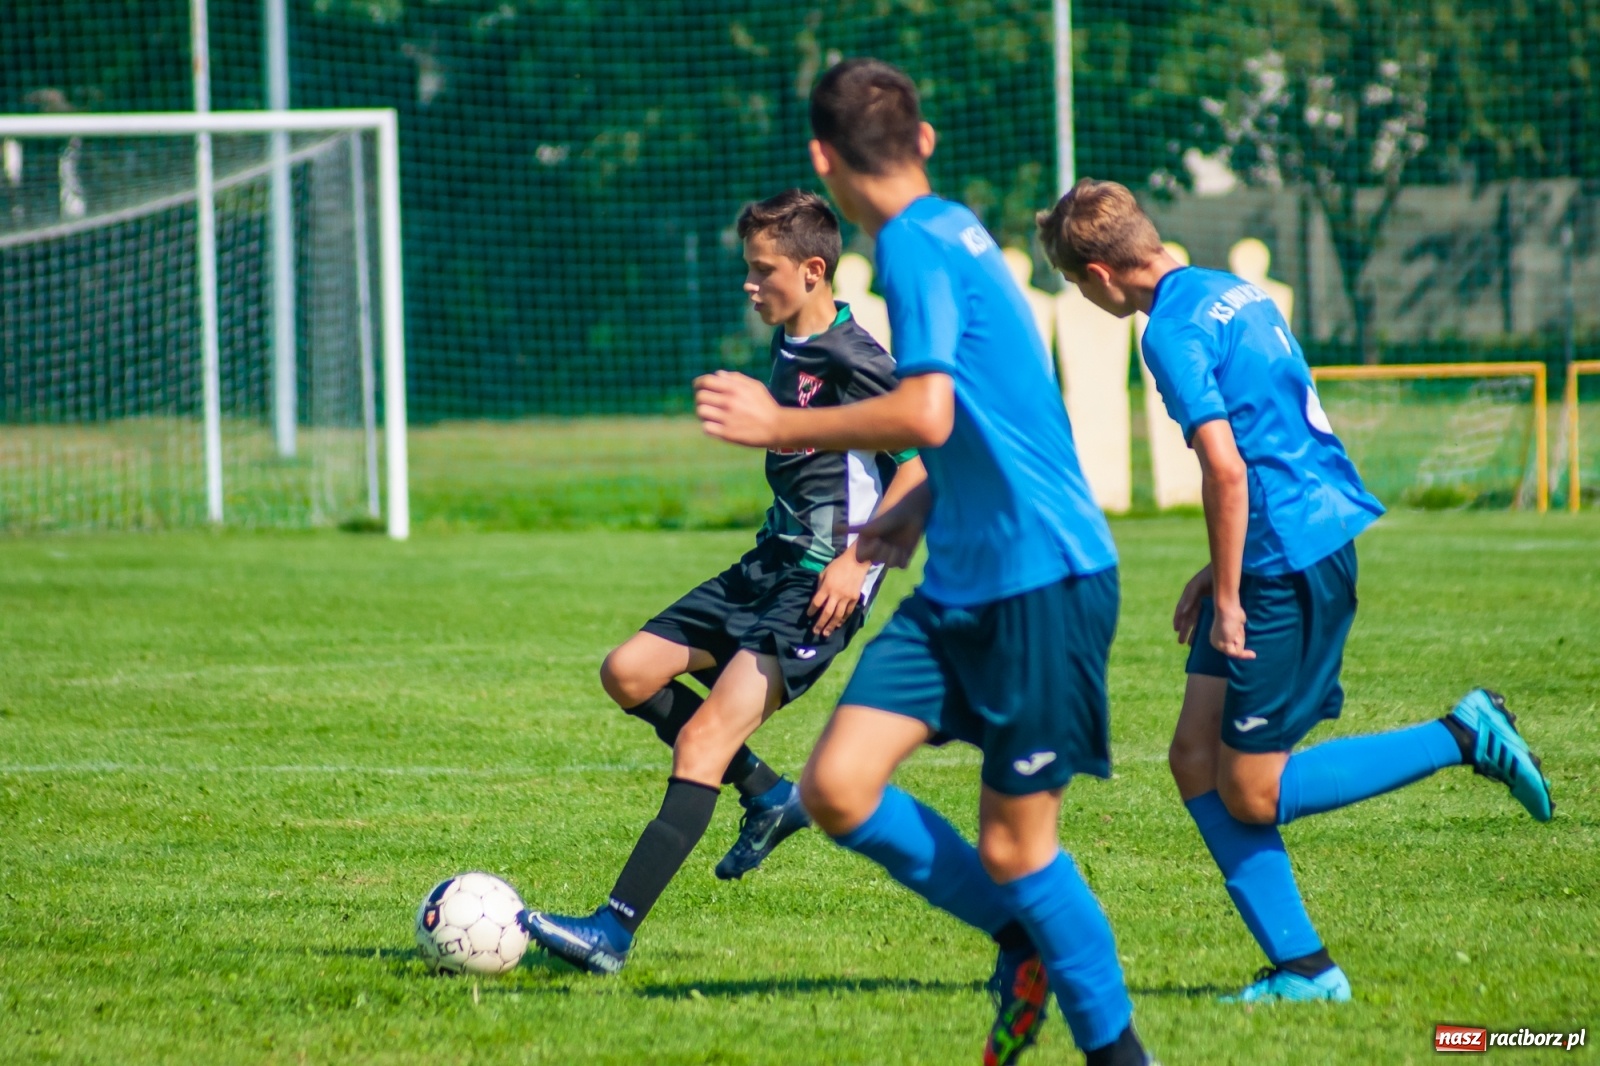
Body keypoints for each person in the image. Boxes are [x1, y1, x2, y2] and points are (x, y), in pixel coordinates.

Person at [695, 60, 1152, 1066]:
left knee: (1014, 848)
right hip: (962, 579)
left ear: (822, 157)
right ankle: (1022, 944)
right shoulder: (953, 227)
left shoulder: (911, 246)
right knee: (838, 785)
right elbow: (993, 406)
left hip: (1044, 577)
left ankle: (1117, 1052)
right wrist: (920, 502)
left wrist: (781, 419)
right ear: (925, 138)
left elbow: (931, 410)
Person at [1036, 178, 1555, 1003]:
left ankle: (1463, 734)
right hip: (1290, 532)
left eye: (1071, 283)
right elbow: (1267, 430)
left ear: (1098, 275)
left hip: (1287, 558)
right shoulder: (1227, 292)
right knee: (1193, 757)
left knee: (1251, 789)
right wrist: (1220, 568)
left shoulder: (1167, 330)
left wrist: (1234, 593)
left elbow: (1225, 464)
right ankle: (1306, 971)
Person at [520, 188, 923, 975]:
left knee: (705, 737)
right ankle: (769, 794)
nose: (748, 283)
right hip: (768, 563)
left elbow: (919, 468)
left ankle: (613, 930)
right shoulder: (791, 345)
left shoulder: (855, 358)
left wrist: (857, 561)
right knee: (628, 671)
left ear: (813, 270)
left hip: (819, 586)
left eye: (761, 269)